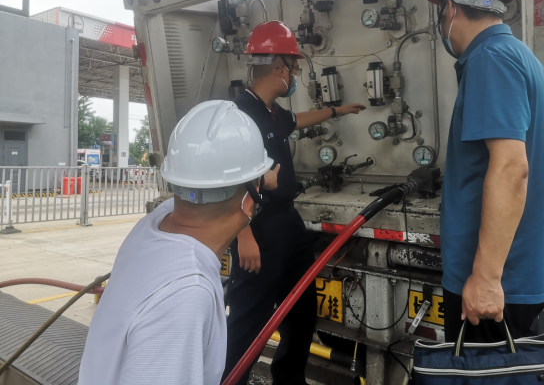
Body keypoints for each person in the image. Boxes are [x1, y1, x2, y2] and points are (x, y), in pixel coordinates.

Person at [426, 0, 544, 343]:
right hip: (514, 275)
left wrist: (486, 278)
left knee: (482, 370)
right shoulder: (519, 57)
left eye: (441, 12)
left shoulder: (490, 59)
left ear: (450, 8)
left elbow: (511, 168)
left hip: (497, 283)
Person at [78, 100, 278, 384]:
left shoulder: (154, 224)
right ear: (250, 201)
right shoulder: (186, 294)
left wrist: (256, 181)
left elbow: (197, 191)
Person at [222, 20, 366, 385]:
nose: (296, 75)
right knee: (249, 320)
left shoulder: (272, 112)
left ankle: (289, 379)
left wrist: (338, 111)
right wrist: (243, 236)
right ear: (279, 67)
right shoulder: (240, 114)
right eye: (296, 68)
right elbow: (229, 178)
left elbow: (298, 120)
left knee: (301, 311)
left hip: (287, 223)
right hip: (257, 227)